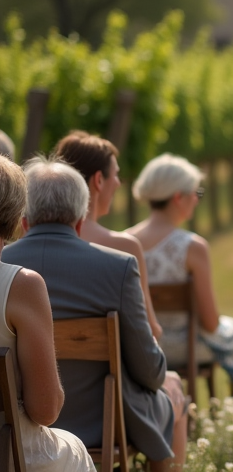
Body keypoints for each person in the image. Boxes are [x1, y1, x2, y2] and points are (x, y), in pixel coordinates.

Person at [2, 158, 187, 472]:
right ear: (80, 221)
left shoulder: (4, 268)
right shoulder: (118, 267)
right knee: (174, 394)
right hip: (106, 423)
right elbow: (148, 369)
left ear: (24, 219)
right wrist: (165, 377)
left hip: (19, 426)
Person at [0, 157, 100, 472]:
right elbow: (45, 409)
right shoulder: (20, 285)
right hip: (9, 460)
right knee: (78, 464)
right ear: (15, 215)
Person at [127, 155, 233, 396]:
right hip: (185, 347)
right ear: (178, 197)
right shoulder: (192, 247)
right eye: (196, 193)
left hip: (139, 346)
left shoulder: (122, 242)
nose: (197, 200)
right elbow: (210, 323)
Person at [52, 131, 162, 339]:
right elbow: (149, 331)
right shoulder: (125, 248)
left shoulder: (35, 247)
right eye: (116, 174)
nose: (119, 183)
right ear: (99, 180)